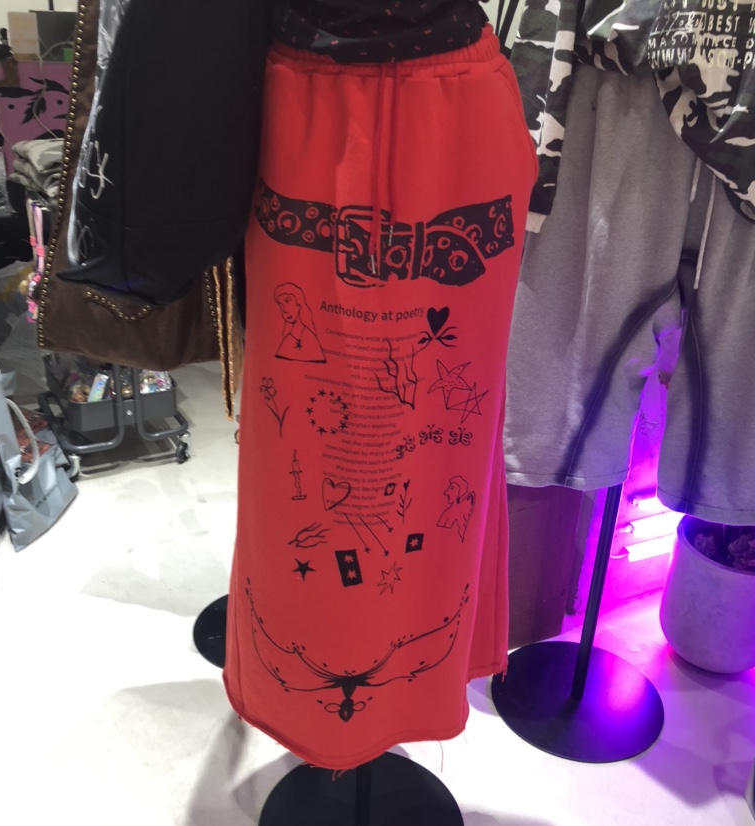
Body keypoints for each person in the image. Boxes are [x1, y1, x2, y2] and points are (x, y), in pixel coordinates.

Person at [224, 0, 538, 771]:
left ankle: (413, 686)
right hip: (302, 98)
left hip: (457, 101)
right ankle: (314, 702)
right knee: (293, 460)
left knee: (444, 446)